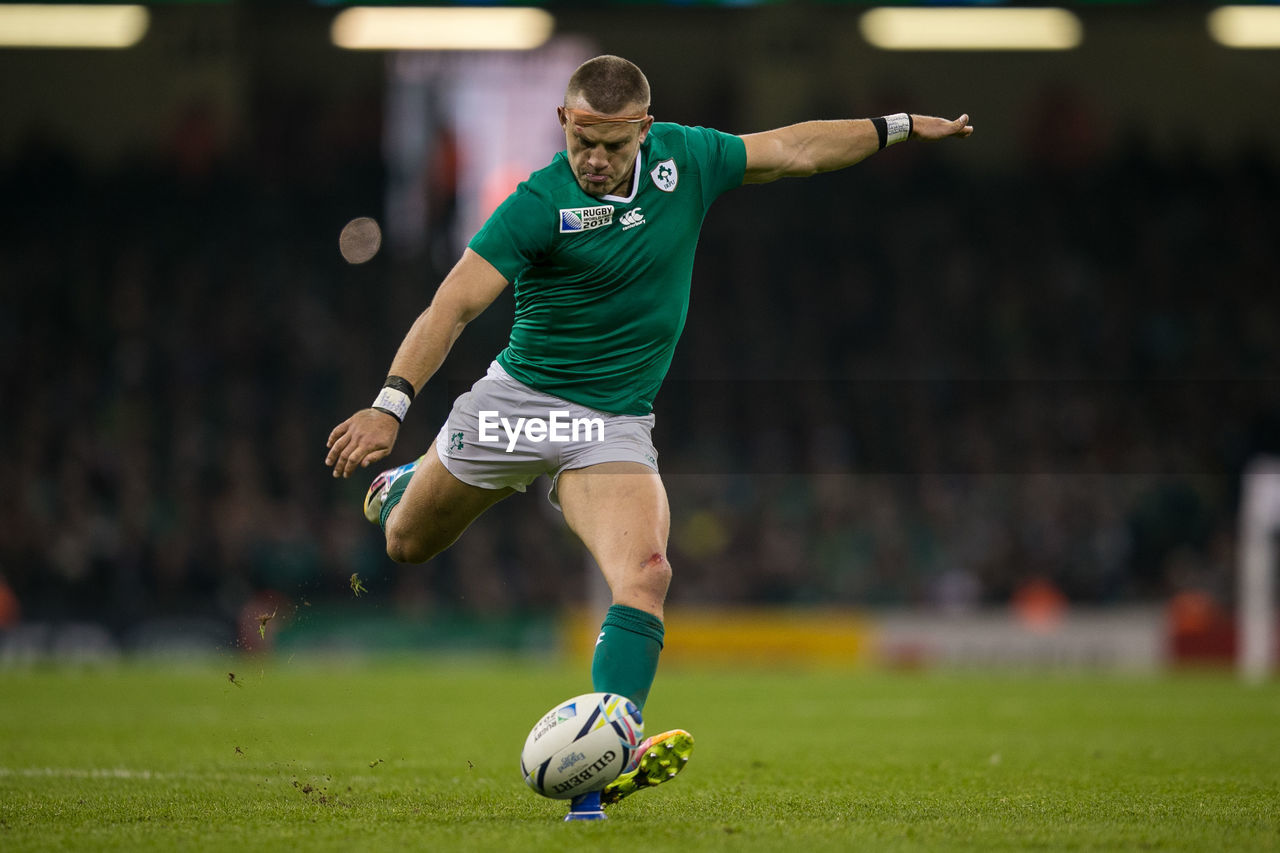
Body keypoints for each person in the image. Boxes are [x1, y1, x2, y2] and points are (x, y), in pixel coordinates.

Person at [325, 55, 973, 820]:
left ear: (644, 129)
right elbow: (451, 307)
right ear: (564, 123)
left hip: (611, 424)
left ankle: (607, 750)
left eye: (613, 146)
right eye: (581, 142)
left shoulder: (689, 159)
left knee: (648, 573)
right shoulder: (537, 203)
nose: (594, 161)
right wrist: (388, 405)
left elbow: (795, 148)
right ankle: (408, 481)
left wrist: (895, 127)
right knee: (405, 544)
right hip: (517, 403)